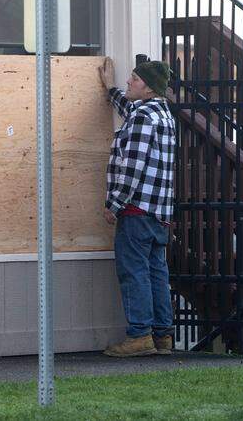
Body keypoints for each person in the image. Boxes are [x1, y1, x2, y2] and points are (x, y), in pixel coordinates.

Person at [98, 56, 177, 357]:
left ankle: (139, 336)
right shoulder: (160, 113)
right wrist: (110, 88)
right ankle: (162, 336)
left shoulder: (144, 118)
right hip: (159, 213)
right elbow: (126, 106)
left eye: (134, 78)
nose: (129, 81)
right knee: (157, 272)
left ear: (148, 88)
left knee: (134, 272)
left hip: (137, 210)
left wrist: (114, 205)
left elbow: (133, 166)